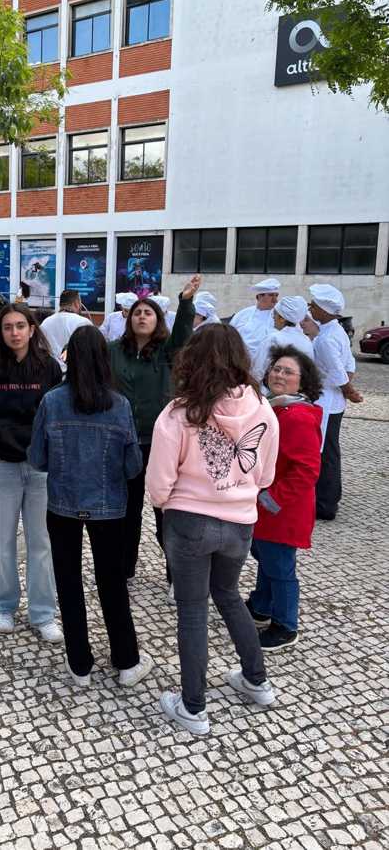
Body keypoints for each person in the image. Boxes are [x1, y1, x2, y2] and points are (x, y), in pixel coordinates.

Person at [147, 323, 280, 736]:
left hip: (189, 519)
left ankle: (193, 706)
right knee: (228, 595)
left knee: (192, 610)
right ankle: (257, 680)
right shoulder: (263, 408)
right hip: (239, 521)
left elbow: (159, 483)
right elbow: (266, 475)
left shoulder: (180, 412)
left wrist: (167, 503)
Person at [28, 327, 152, 687]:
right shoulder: (120, 405)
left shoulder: (51, 401)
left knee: (68, 582)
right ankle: (126, 661)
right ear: (104, 358)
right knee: (112, 583)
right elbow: (133, 465)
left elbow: (37, 458)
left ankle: (79, 664)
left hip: (62, 504)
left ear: (71, 356)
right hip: (109, 505)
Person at [0, 304, 64, 642]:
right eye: (8, 327)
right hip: (3, 467)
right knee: (3, 542)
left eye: (20, 326)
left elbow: (59, 415)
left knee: (41, 543)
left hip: (40, 471)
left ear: (32, 329)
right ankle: (3, 606)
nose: (15, 333)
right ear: (1, 332)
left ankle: (43, 612)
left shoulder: (49, 367)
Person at [109, 275, 201, 591]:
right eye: (137, 312)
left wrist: (186, 302)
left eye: (148, 313)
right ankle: (125, 568)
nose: (142, 316)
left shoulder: (167, 351)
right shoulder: (114, 351)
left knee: (166, 510)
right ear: (128, 319)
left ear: (158, 319)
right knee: (128, 510)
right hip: (125, 441)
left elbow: (184, 334)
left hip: (160, 443)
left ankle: (177, 574)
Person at [247, 346, 323, 651]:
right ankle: (261, 607)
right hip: (270, 505)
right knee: (267, 557)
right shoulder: (278, 407)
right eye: (276, 369)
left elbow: (307, 470)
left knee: (280, 568)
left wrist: (271, 499)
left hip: (284, 508)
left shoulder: (298, 416)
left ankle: (285, 625)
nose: (279, 374)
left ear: (302, 381)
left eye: (288, 372)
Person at [308, 283, 362, 521]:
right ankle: (328, 498)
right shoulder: (336, 330)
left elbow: (339, 373)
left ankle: (326, 503)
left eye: (313, 306)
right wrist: (346, 388)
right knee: (330, 450)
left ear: (324, 310)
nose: (310, 309)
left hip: (326, 402)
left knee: (325, 452)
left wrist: (350, 392)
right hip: (333, 401)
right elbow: (350, 365)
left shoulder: (325, 339)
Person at [250, 296, 314, 381]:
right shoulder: (306, 341)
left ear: (281, 319)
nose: (273, 317)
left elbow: (258, 370)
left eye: (275, 314)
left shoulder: (274, 339)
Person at [39, 289, 93, 371]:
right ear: (76, 304)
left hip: (50, 372)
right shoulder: (84, 322)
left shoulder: (46, 323)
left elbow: (40, 349)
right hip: (76, 372)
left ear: (60, 304)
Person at [230, 278, 281, 357]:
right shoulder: (243, 314)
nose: (275, 300)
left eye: (276, 295)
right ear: (259, 297)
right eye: (271, 295)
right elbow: (230, 335)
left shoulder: (280, 317)